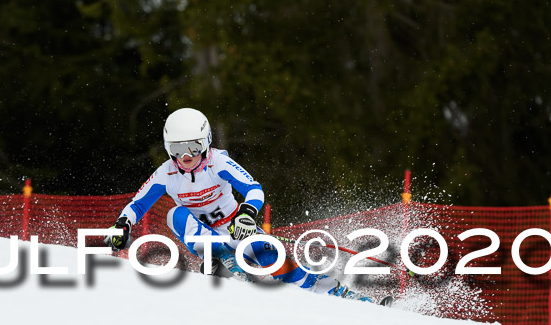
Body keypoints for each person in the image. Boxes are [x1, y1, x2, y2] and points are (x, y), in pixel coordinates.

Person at [104, 107, 371, 299]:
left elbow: (253, 189)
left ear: (206, 143)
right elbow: (137, 205)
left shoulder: (218, 162)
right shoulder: (166, 174)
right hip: (206, 240)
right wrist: (122, 225)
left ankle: (338, 294)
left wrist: (246, 215)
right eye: (177, 149)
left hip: (236, 229)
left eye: (193, 147)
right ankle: (223, 260)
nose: (186, 156)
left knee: (273, 258)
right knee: (175, 215)